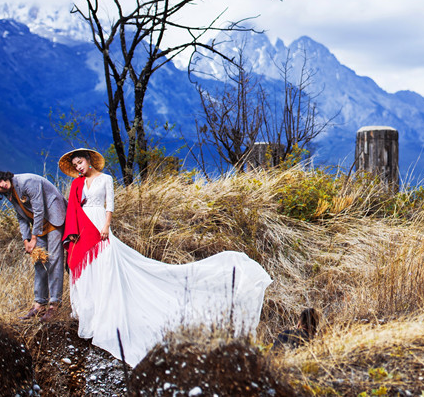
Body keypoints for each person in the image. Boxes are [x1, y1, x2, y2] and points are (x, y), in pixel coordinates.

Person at [60, 147, 273, 366]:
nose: (78, 167)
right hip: (82, 227)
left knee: (105, 267)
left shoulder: (105, 179)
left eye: (80, 162)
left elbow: (110, 205)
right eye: (75, 165)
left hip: (98, 225)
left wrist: (106, 226)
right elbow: (73, 208)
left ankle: (106, 316)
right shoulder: (77, 184)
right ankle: (91, 315)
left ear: (89, 160)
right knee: (89, 270)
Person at [0, 170, 68, 322]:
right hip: (40, 225)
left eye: (0, 181)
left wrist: (33, 238)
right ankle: (39, 304)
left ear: (3, 177)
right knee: (39, 261)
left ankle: (54, 305)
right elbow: (21, 217)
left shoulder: (26, 182)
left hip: (54, 217)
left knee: (54, 259)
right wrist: (26, 240)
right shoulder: (10, 193)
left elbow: (39, 209)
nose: (1, 186)